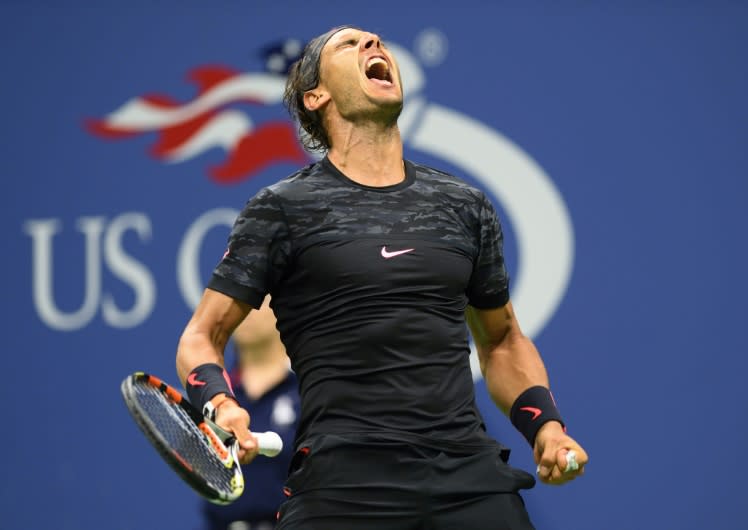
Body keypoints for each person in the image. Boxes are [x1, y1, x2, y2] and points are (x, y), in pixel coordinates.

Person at [176, 25, 589, 530]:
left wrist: (546, 427)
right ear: (315, 95)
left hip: (468, 480)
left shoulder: (464, 206)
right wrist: (220, 404)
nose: (374, 45)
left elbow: (502, 341)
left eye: (377, 42)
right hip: (342, 488)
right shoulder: (281, 210)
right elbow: (203, 335)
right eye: (349, 44)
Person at [199, 296, 299, 530]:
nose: (245, 309)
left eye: (257, 299)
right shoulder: (213, 396)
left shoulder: (311, 388)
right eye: (235, 300)